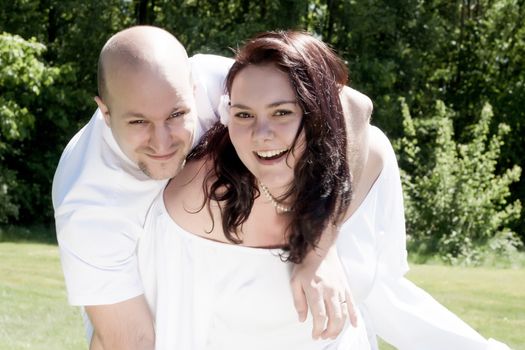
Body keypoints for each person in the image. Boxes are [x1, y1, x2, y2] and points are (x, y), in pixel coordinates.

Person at [137, 31, 511, 350]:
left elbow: (384, 292)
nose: (261, 134)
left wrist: (320, 244)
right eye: (244, 114)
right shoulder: (198, 196)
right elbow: (175, 323)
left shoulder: (370, 159)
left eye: (282, 112)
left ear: (317, 114)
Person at [52, 26, 364, 350]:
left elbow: (352, 106)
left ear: (194, 90)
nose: (162, 141)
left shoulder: (214, 81)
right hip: (135, 293)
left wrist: (319, 247)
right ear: (104, 112)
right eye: (139, 122)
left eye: (177, 114)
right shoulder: (89, 210)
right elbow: (130, 340)